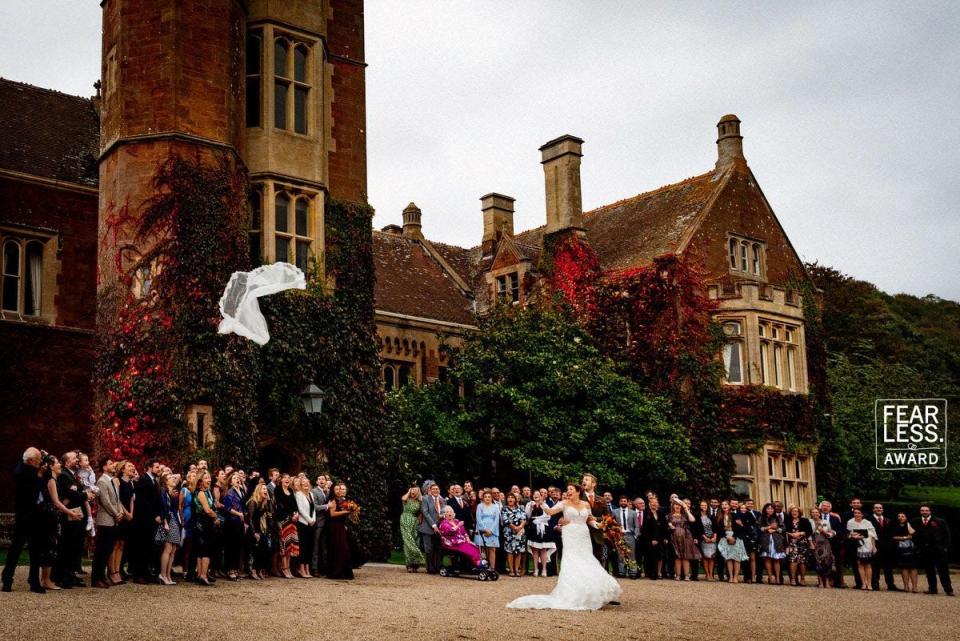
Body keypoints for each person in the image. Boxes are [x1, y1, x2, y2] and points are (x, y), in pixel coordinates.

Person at [507, 483, 622, 610]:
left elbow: (590, 520)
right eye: (567, 490)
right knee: (572, 561)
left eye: (571, 489)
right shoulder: (564, 503)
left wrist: (599, 525)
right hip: (570, 535)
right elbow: (550, 512)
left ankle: (589, 593)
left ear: (578, 491)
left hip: (584, 535)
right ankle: (572, 593)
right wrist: (542, 502)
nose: (568, 491)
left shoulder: (586, 504)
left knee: (587, 560)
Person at [2, 447, 45, 593]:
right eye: (38, 459)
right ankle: (7, 580)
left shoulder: (30, 469)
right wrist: (39, 476)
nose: (40, 462)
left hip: (35, 514)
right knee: (16, 549)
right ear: (31, 460)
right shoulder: (21, 472)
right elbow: (33, 491)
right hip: (25, 515)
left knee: (35, 550)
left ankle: (34, 581)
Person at [53, 450, 87, 588]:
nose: (77, 460)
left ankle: (71, 574)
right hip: (69, 515)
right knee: (67, 546)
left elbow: (76, 491)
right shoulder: (64, 475)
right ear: (67, 462)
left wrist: (80, 493)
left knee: (75, 546)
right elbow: (70, 493)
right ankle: (63, 576)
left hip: (77, 514)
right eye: (74, 458)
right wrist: (85, 495)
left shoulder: (73, 475)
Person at [92, 457, 122, 588]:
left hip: (113, 519)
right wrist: (116, 513)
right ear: (104, 467)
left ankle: (102, 576)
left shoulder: (112, 481)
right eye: (110, 464)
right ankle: (96, 577)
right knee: (101, 550)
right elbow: (105, 501)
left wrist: (120, 512)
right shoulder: (102, 481)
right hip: (105, 520)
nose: (113, 465)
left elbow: (117, 499)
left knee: (108, 549)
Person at [911, 503, 954, 596]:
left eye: (926, 510)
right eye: (922, 510)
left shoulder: (940, 521)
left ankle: (948, 589)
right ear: (920, 511)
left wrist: (945, 547)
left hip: (938, 550)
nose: (924, 512)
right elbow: (913, 535)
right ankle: (932, 589)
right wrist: (917, 546)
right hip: (925, 551)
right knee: (929, 571)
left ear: (930, 511)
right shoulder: (915, 521)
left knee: (943, 571)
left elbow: (947, 535)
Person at [131, 459, 162, 584]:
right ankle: (138, 574)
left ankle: (146, 573)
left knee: (149, 547)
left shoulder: (154, 481)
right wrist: (154, 515)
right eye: (157, 467)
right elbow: (143, 501)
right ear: (150, 467)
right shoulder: (144, 480)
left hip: (151, 520)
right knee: (142, 547)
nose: (159, 469)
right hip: (144, 520)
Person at [326, 482, 359, 580]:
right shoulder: (332, 500)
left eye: (341, 489)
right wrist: (346, 511)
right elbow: (332, 514)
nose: (339, 491)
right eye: (337, 489)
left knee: (344, 549)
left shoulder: (343, 501)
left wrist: (353, 511)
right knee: (339, 549)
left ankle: (344, 572)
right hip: (334, 526)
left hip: (341, 526)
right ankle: (336, 572)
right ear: (333, 490)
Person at [111, 461, 135, 584]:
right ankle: (113, 572)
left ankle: (118, 570)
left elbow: (131, 499)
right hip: (120, 514)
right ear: (122, 469)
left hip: (128, 516)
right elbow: (117, 499)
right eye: (129, 466)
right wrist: (126, 513)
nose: (133, 468)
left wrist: (131, 513)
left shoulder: (130, 483)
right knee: (115, 544)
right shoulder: (117, 481)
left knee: (121, 544)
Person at [192, 471, 218, 586]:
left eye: (209, 477)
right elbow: (207, 510)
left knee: (201, 550)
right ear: (201, 481)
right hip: (203, 523)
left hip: (204, 523)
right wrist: (216, 517)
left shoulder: (206, 492)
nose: (209, 480)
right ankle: (203, 575)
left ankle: (201, 574)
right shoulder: (201, 493)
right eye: (206, 478)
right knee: (206, 550)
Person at [158, 473, 183, 585]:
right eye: (170, 478)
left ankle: (168, 575)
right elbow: (162, 508)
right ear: (165, 481)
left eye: (174, 478)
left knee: (173, 550)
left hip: (173, 520)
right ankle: (162, 574)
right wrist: (165, 522)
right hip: (167, 521)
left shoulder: (171, 493)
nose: (173, 479)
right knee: (168, 548)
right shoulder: (163, 492)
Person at [273, 474, 300, 579]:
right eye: (285, 478)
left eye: (289, 478)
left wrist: (296, 513)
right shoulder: (278, 490)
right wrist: (289, 516)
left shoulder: (291, 491)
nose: (287, 480)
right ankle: (284, 568)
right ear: (281, 480)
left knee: (291, 545)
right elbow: (279, 506)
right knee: (284, 544)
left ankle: (288, 567)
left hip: (292, 521)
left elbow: (295, 505)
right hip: (282, 520)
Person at [525, 490, 557, 577]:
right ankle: (536, 569)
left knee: (543, 549)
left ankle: (544, 569)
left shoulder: (544, 504)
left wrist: (538, 520)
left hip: (543, 528)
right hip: (533, 528)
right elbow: (527, 516)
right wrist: (530, 508)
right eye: (534, 494)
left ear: (541, 496)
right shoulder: (529, 504)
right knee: (534, 549)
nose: (536, 495)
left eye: (538, 494)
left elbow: (548, 516)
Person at [221, 472, 246, 581]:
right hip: (231, 522)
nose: (237, 479)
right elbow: (227, 508)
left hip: (239, 522)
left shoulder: (241, 491)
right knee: (231, 546)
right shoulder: (230, 492)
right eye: (234, 478)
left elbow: (243, 505)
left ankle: (235, 569)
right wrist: (239, 514)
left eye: (238, 478)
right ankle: (230, 570)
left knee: (238, 546)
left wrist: (243, 515)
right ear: (231, 481)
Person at [667, 497, 699, 580]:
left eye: (679, 505)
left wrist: (686, 509)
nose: (677, 506)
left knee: (685, 556)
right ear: (673, 506)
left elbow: (693, 520)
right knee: (677, 556)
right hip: (674, 537)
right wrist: (670, 526)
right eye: (676, 505)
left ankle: (686, 575)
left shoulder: (684, 515)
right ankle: (678, 575)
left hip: (686, 537)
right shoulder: (669, 516)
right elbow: (666, 526)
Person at [247, 482, 274, 580]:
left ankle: (259, 569)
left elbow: (270, 512)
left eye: (266, 489)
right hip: (253, 529)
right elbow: (250, 518)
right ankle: (253, 570)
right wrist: (254, 532)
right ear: (259, 490)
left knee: (264, 549)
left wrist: (268, 500)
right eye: (263, 489)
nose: (265, 491)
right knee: (255, 550)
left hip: (261, 528)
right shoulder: (253, 501)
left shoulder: (263, 502)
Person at [419, 481, 447, 574]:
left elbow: (445, 511)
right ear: (430, 490)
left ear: (439, 490)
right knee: (429, 548)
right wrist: (434, 525)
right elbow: (425, 513)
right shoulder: (425, 499)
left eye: (437, 489)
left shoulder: (442, 500)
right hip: (428, 527)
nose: (435, 490)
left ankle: (438, 567)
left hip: (440, 528)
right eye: (433, 489)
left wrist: (443, 516)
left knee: (438, 548)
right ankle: (430, 567)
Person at [846, 507, 877, 590]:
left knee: (868, 565)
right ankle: (863, 583)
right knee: (860, 565)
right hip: (856, 546)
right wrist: (853, 536)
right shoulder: (850, 522)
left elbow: (873, 535)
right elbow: (848, 534)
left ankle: (869, 584)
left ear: (862, 514)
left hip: (867, 545)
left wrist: (874, 547)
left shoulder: (868, 523)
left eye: (859, 513)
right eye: (855, 513)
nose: (857, 514)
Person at [716, 500, 748, 583]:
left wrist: (733, 537)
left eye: (726, 504)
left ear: (729, 506)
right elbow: (718, 529)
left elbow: (739, 528)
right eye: (722, 504)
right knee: (728, 558)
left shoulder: (735, 515)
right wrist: (727, 536)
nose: (724, 506)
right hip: (725, 537)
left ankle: (735, 577)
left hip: (736, 537)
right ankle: (730, 576)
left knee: (737, 558)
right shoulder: (719, 516)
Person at [870, 503, 899, 591]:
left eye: (880, 508)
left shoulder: (888, 520)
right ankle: (875, 584)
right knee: (875, 566)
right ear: (873, 509)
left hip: (887, 547)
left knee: (888, 566)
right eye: (876, 508)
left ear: (882, 510)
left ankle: (890, 584)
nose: (879, 509)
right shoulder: (869, 520)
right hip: (875, 545)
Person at [783, 505, 812, 586]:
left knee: (802, 562)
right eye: (793, 511)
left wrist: (800, 533)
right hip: (792, 544)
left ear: (799, 512)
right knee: (793, 561)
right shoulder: (787, 521)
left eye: (796, 511)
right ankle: (793, 579)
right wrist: (791, 534)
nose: (794, 513)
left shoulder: (805, 520)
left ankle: (802, 579)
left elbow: (809, 531)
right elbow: (784, 530)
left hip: (802, 543)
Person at [399, 486, 427, 572]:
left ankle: (415, 564)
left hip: (415, 522)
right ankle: (411, 563)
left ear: (418, 492)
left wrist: (420, 522)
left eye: (415, 490)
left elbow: (420, 513)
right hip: (405, 519)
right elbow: (403, 498)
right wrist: (409, 491)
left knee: (415, 540)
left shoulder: (420, 501)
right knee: (408, 541)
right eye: (412, 490)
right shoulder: (407, 499)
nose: (413, 491)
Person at [294, 476, 316, 579]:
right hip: (303, 524)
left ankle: (307, 568)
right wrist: (309, 520)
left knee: (309, 546)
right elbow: (301, 509)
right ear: (301, 485)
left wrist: (313, 519)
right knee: (303, 547)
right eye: (303, 483)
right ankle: (301, 568)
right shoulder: (299, 494)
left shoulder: (311, 494)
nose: (306, 484)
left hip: (311, 524)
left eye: (307, 483)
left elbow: (313, 508)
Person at [758, 503, 786, 585]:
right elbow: (759, 528)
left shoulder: (777, 518)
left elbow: (783, 528)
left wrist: (775, 530)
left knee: (776, 559)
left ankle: (777, 578)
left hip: (776, 540)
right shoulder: (761, 518)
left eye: (771, 509)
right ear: (765, 509)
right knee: (767, 558)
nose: (770, 510)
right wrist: (768, 527)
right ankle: (770, 577)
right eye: (768, 508)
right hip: (765, 540)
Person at [501, 493, 527, 577]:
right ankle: (511, 570)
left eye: (512, 497)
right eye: (509, 497)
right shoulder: (504, 509)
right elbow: (505, 520)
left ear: (515, 499)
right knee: (510, 551)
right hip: (509, 532)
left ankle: (516, 570)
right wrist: (514, 527)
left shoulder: (520, 508)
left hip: (520, 533)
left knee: (519, 551)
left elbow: (524, 519)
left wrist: (519, 527)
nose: (510, 499)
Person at [892, 511, 918, 592]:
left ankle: (914, 587)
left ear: (906, 517)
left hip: (911, 549)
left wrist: (908, 525)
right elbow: (893, 537)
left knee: (913, 567)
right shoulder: (894, 526)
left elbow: (912, 533)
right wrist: (905, 537)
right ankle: (906, 586)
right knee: (904, 568)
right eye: (899, 516)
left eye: (902, 516)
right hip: (900, 549)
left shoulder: (909, 524)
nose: (900, 517)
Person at [309, 474, 330, 576]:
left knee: (324, 547)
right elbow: (315, 507)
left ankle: (324, 569)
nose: (321, 480)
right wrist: (327, 506)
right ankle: (314, 569)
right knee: (316, 547)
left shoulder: (327, 492)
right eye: (319, 479)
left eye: (323, 479)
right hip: (318, 522)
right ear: (316, 482)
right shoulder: (314, 491)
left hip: (326, 523)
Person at [474, 490, 501, 568]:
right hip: (482, 530)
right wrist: (485, 530)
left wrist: (491, 531)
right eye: (485, 497)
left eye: (489, 497)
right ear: (483, 498)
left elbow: (496, 520)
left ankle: (492, 567)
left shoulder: (495, 506)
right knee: (482, 549)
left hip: (493, 531)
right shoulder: (480, 506)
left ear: (492, 498)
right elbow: (478, 519)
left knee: (492, 549)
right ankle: (482, 567)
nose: (487, 498)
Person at [809, 506, 835, 588]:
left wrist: (825, 532)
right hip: (815, 543)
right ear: (811, 514)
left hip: (825, 543)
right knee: (818, 563)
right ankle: (820, 581)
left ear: (819, 513)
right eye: (813, 512)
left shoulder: (825, 522)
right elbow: (808, 534)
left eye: (816, 512)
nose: (815, 514)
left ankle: (827, 582)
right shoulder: (809, 522)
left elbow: (831, 531)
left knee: (827, 562)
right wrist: (811, 544)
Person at [696, 500, 717, 581]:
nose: (704, 507)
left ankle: (711, 574)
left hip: (712, 538)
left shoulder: (711, 516)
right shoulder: (697, 516)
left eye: (705, 505)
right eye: (702, 505)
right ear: (700, 506)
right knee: (705, 557)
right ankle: (707, 574)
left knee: (711, 557)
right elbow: (698, 529)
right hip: (703, 539)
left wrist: (714, 537)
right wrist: (705, 537)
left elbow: (715, 527)